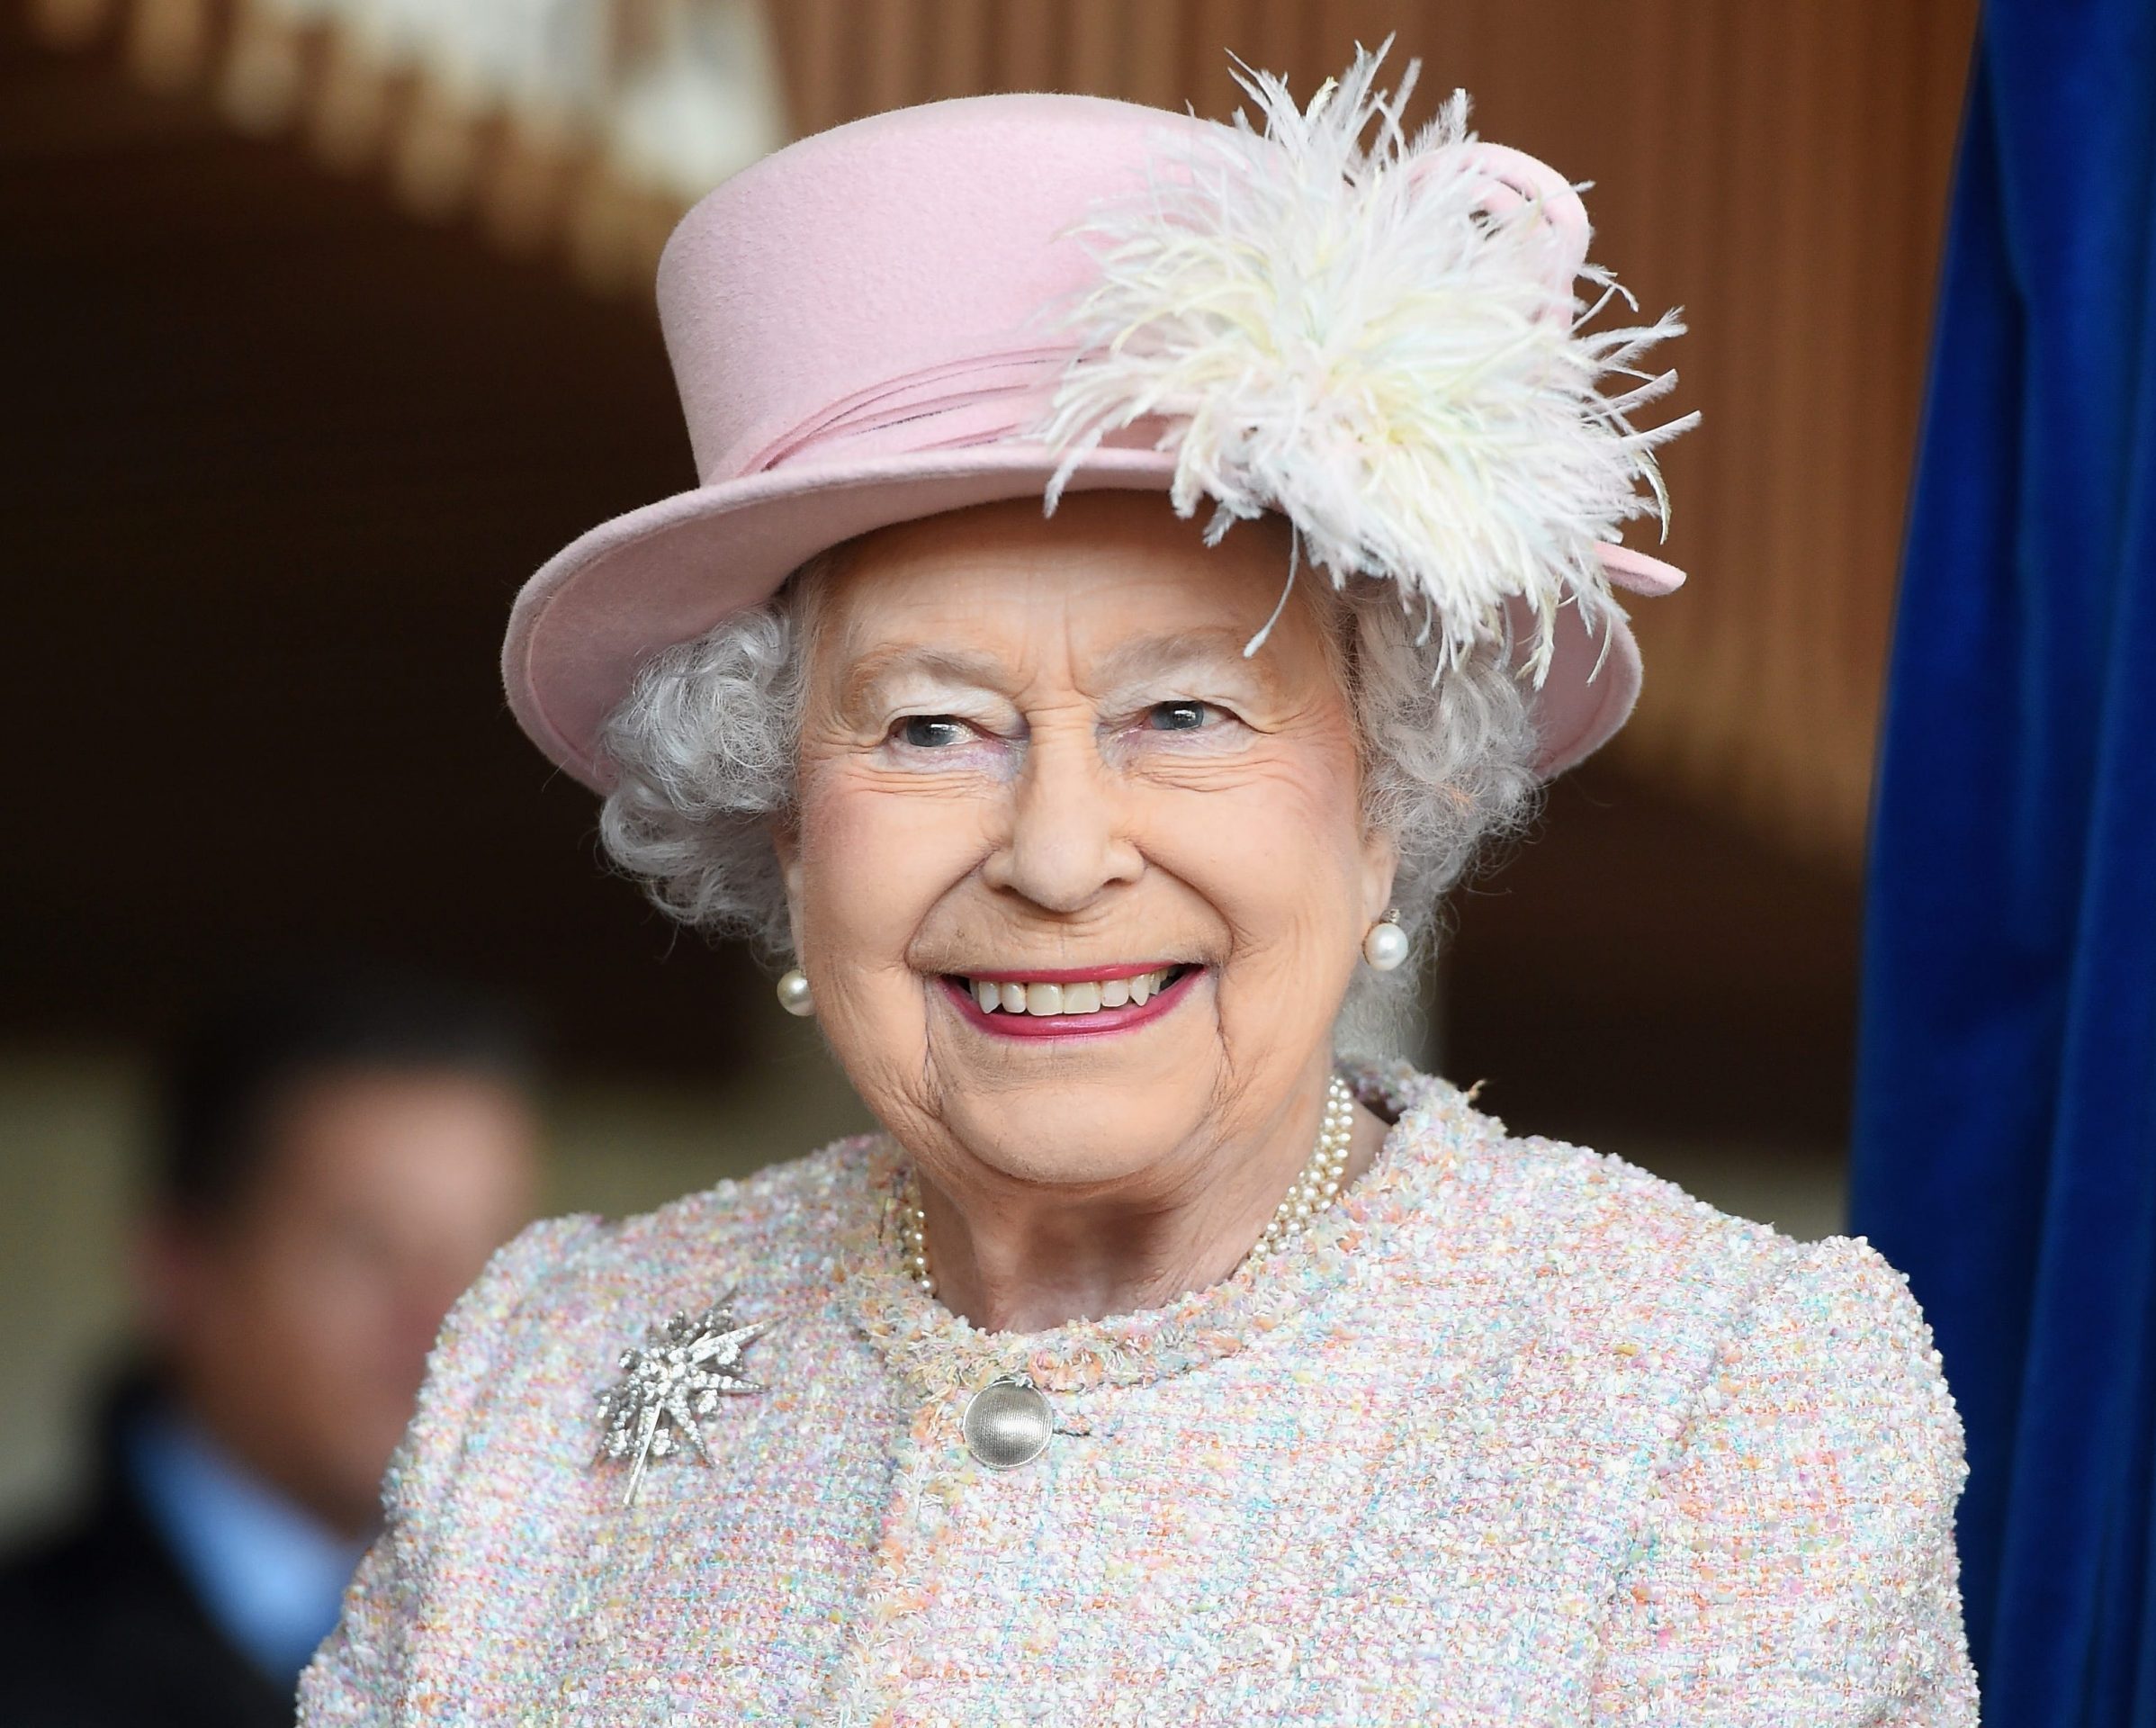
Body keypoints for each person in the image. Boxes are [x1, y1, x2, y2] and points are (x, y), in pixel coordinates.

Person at [303, 50, 1978, 1724]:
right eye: (932, 726)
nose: (1053, 854)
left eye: (1184, 713)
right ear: (783, 823)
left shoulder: (1714, 1394)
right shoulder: (548, 1366)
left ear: (1386, 798)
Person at [0, 969, 540, 1728]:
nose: (449, 1318)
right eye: (368, 1246)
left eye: (488, 1253)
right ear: (181, 1271)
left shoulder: (588, 1654)